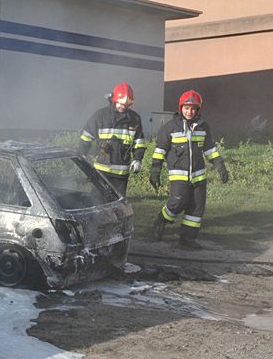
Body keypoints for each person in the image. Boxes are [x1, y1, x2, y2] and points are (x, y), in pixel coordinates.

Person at [149, 89, 230, 249]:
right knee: (177, 203)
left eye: (193, 108)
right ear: (181, 108)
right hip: (178, 174)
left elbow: (209, 149)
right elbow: (160, 151)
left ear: (198, 110)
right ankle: (162, 220)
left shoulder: (203, 126)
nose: (189, 111)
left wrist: (220, 165)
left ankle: (187, 239)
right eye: (186, 108)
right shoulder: (170, 127)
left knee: (196, 208)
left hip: (198, 176)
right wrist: (155, 171)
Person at [78, 82, 146, 197]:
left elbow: (139, 142)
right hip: (101, 170)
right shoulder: (101, 115)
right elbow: (86, 136)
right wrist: (82, 154)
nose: (123, 107)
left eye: (126, 105)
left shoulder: (134, 118)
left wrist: (138, 159)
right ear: (114, 100)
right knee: (98, 200)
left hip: (121, 173)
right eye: (121, 104)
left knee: (117, 203)